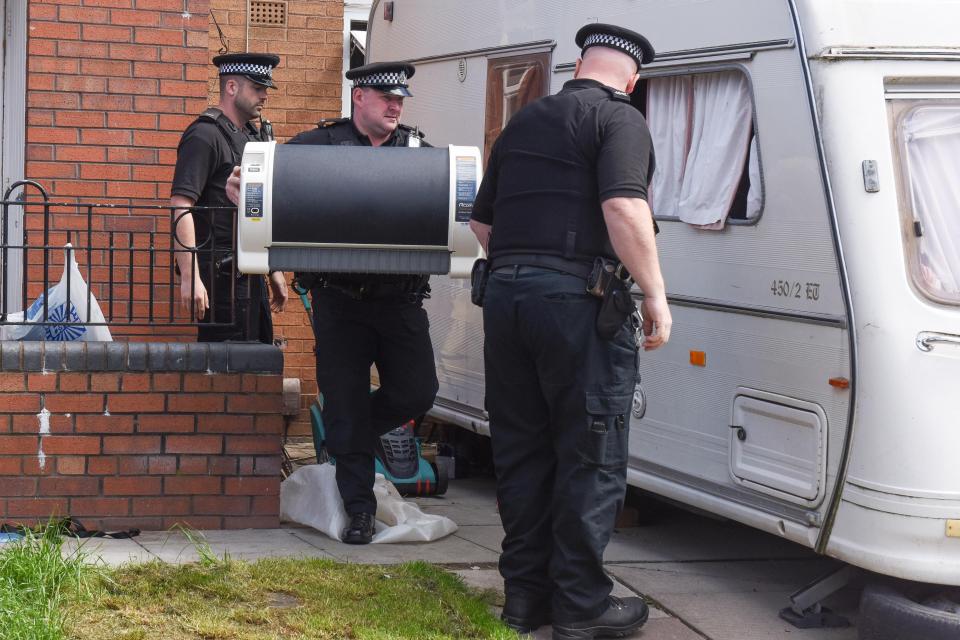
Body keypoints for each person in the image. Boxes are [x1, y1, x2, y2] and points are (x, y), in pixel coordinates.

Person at [469, 24, 672, 640]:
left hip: (505, 299)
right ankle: (581, 606)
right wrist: (656, 295)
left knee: (522, 450)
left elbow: (481, 224)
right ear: (631, 79)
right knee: (590, 453)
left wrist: (527, 271)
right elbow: (623, 207)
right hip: (577, 304)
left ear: (580, 64)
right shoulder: (622, 122)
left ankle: (525, 600)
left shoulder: (522, 124)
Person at [229, 61, 437, 544]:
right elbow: (265, 185)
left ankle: (353, 434)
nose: (395, 106)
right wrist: (242, 189)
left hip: (401, 301)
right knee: (343, 402)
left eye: (400, 99)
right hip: (340, 304)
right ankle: (358, 511)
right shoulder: (314, 148)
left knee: (417, 392)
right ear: (358, 97)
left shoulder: (419, 152)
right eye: (386, 97)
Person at [172, 52, 287, 342]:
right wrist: (190, 276)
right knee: (226, 367)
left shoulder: (249, 137)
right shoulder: (205, 135)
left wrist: (271, 269)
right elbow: (182, 204)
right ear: (232, 87)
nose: (265, 96)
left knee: (257, 358)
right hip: (220, 276)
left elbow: (257, 210)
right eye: (257, 88)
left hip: (249, 271)